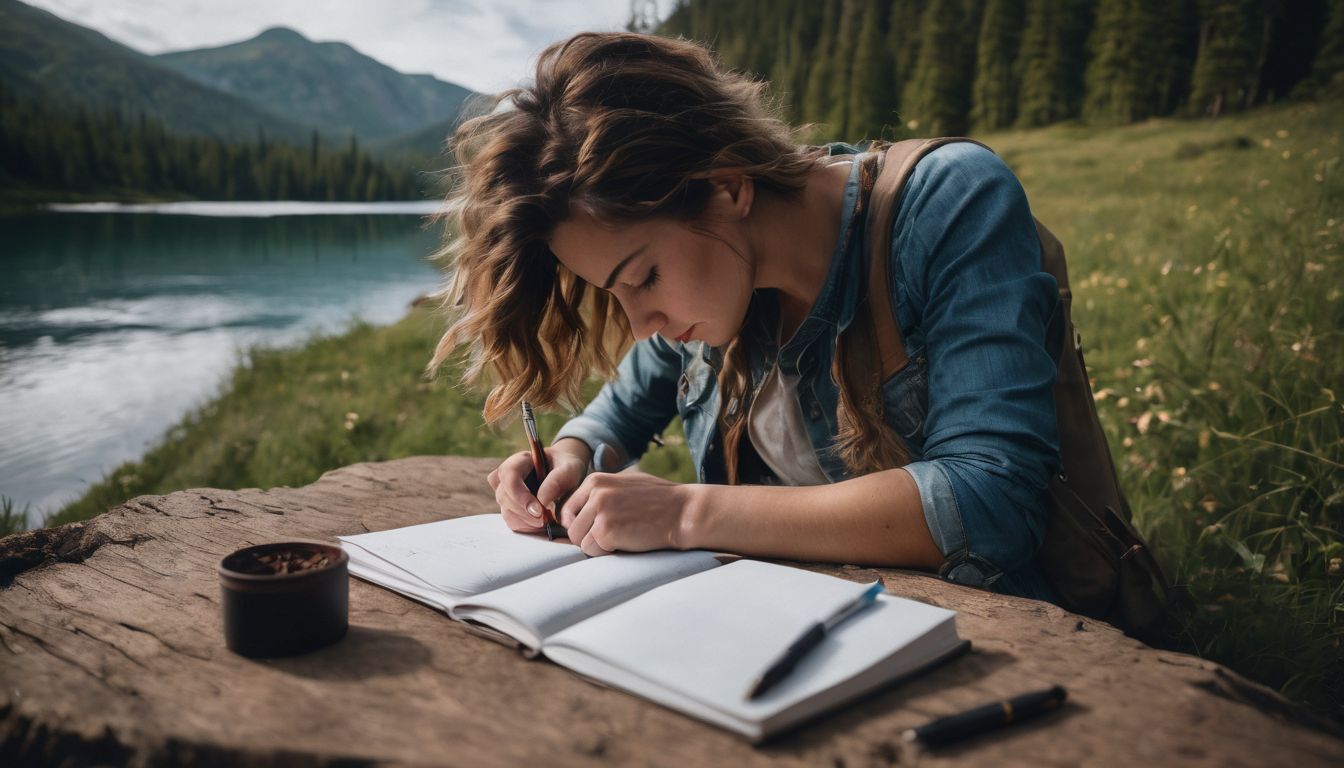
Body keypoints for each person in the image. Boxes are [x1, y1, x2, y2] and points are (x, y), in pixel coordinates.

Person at [430, 32, 1063, 602]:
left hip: (974, 639)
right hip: (777, 624)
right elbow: (621, 408)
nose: (645, 324)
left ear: (728, 187)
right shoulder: (717, 283)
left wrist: (685, 514)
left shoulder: (947, 201)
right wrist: (568, 455)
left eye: (644, 277)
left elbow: (993, 500)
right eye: (615, 292)